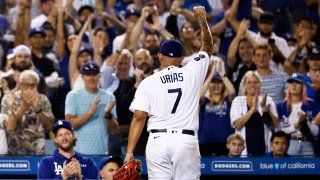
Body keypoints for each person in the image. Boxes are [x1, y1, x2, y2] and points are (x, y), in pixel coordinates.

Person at [124, 6, 213, 179]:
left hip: (158, 141)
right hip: (185, 140)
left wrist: (129, 152)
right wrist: (202, 19)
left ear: (159, 57)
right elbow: (207, 46)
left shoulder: (148, 82)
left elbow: (139, 117)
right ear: (181, 59)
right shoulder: (192, 71)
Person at [65, 61, 118, 155]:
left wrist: (108, 115)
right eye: (88, 74)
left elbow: (113, 130)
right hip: (78, 153)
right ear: (82, 77)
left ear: (99, 76)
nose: (92, 78)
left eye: (94, 74)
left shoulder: (109, 97)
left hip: (102, 152)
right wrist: (90, 112)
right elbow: (70, 125)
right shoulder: (73, 96)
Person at [1, 70, 54, 155]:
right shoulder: (9, 99)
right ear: (20, 85)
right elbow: (9, 127)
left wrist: (38, 109)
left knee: (54, 147)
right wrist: (24, 107)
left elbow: (50, 126)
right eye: (26, 85)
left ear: (37, 85)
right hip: (14, 140)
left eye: (33, 85)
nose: (30, 88)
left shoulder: (43, 99)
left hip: (38, 141)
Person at [230, 71, 279, 157]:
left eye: (255, 82)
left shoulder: (268, 100)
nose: (252, 85)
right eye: (249, 82)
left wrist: (266, 110)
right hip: (244, 150)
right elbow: (237, 124)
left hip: (264, 148)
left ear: (260, 85)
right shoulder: (238, 100)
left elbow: (276, 124)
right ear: (244, 85)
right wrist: (252, 109)